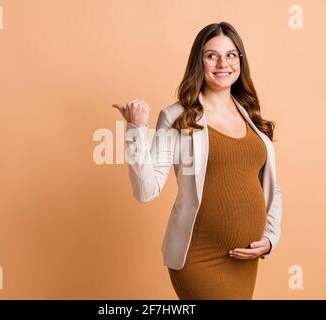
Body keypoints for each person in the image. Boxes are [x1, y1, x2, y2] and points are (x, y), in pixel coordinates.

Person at [112, 22, 283, 300]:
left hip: (245, 259)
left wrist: (270, 238)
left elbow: (272, 186)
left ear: (240, 61)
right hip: (198, 257)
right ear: (199, 62)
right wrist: (136, 130)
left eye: (231, 55)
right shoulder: (178, 117)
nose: (222, 63)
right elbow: (146, 190)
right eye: (211, 55)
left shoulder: (251, 116)